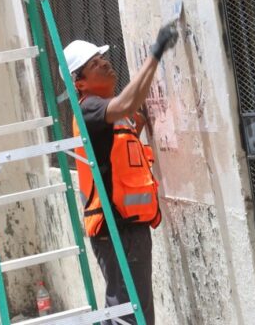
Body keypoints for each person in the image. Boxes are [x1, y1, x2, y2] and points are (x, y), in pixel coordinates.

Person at [63, 23, 178, 325]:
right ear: (80, 83)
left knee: (127, 309)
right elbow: (128, 102)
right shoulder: (89, 110)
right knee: (131, 314)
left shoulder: (114, 115)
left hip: (129, 226)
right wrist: (155, 53)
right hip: (114, 228)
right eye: (94, 64)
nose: (105, 63)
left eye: (103, 58)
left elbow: (132, 111)